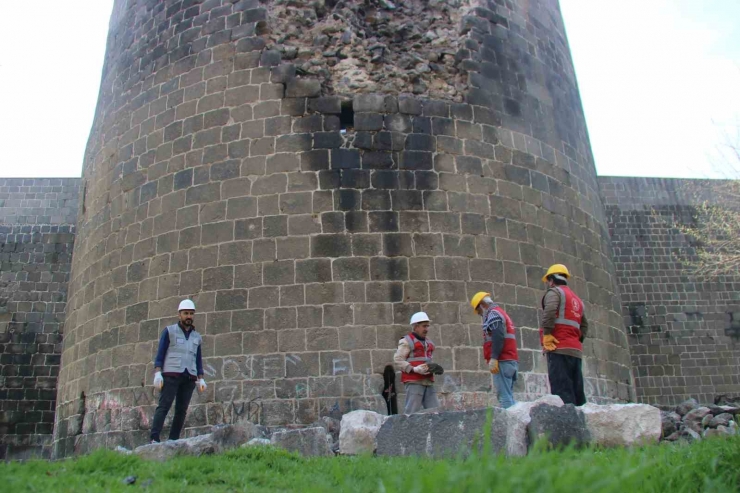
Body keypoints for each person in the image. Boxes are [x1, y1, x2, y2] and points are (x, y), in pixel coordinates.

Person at [150, 299, 207, 443]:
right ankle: (154, 437)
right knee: (164, 406)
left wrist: (201, 377)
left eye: (191, 314)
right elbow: (161, 353)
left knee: (181, 411)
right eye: (186, 313)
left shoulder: (197, 337)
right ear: (179, 315)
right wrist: (158, 372)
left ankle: (173, 439)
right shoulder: (169, 331)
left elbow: (198, 358)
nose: (189, 316)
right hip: (171, 374)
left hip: (189, 377)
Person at [540, 264, 589, 406]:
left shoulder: (554, 293)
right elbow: (584, 325)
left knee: (562, 393)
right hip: (575, 351)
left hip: (559, 348)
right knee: (577, 394)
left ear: (551, 280)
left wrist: (547, 334)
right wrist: (576, 339)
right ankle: (580, 424)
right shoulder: (577, 300)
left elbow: (549, 311)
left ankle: (568, 426)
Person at [470, 292, 519, 408]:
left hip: (503, 361)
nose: (480, 315)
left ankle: (510, 425)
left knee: (504, 398)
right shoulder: (502, 313)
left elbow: (498, 336)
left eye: (479, 311)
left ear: (482, 305)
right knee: (508, 395)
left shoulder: (493, 314)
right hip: (510, 360)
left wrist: (494, 358)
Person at [393, 312, 439, 414]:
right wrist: (414, 369)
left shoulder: (429, 343)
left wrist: (434, 368)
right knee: (412, 413)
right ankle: (407, 430)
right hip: (414, 381)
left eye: (427, 326)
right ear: (416, 327)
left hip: (428, 381)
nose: (426, 329)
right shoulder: (406, 341)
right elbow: (398, 360)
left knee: (435, 412)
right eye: (424, 326)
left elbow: (427, 359)